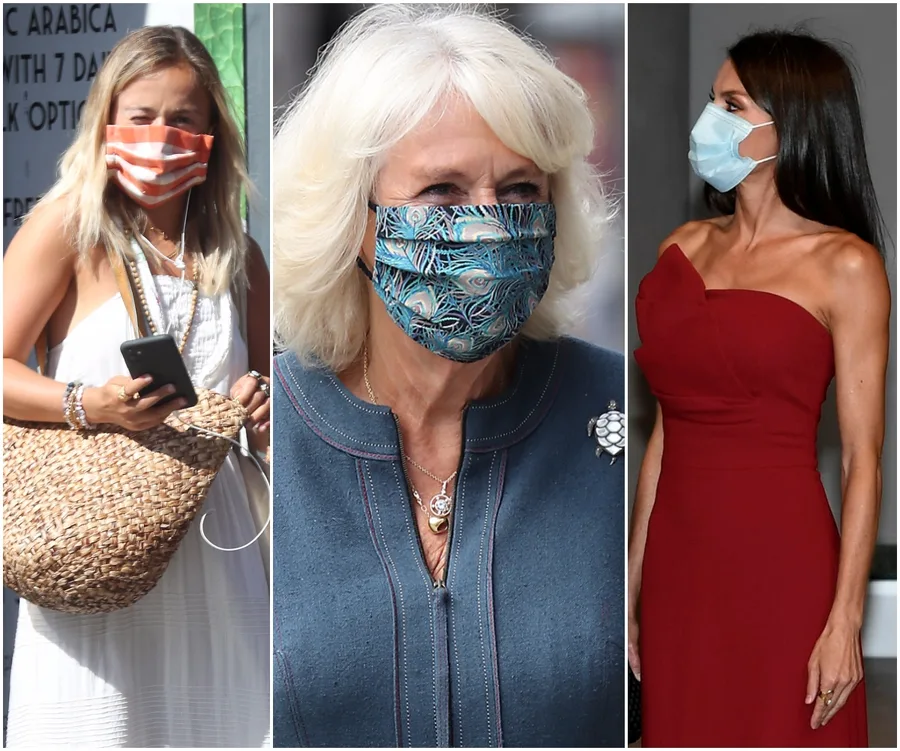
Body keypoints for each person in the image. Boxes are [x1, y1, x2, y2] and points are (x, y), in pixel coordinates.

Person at [271, 5, 623, 747]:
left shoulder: (624, 416)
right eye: (443, 193)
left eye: (522, 190)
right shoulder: (264, 434)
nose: (491, 223)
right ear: (352, 218)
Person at [3, 26, 271, 747]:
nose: (160, 136)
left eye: (183, 120)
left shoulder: (239, 256)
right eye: (142, 117)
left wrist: (259, 412)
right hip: (96, 536)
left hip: (218, 547)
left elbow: (269, 403)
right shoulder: (68, 227)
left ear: (212, 132)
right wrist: (88, 403)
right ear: (106, 121)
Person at [630, 30, 890, 747]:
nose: (708, 120)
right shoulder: (679, 249)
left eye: (731, 103)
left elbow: (866, 458)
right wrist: (632, 578)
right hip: (680, 568)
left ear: (789, 124)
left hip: (783, 563)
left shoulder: (846, 265)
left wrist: (845, 619)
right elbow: (665, 431)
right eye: (716, 100)